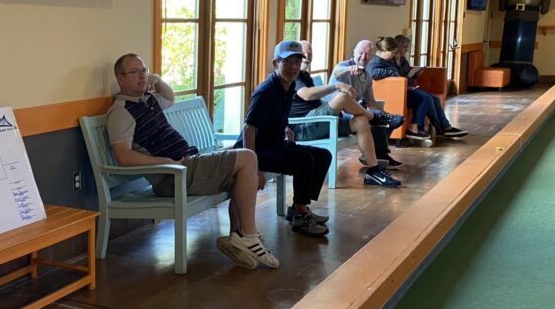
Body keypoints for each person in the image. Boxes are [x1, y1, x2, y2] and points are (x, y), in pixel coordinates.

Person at [107, 54, 279, 269]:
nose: (142, 76)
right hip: (173, 175)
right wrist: (165, 161)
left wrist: (157, 79)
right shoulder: (121, 112)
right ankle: (249, 236)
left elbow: (170, 97)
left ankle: (238, 236)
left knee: (243, 171)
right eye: (135, 72)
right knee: (247, 157)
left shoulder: (148, 100)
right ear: (120, 79)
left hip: (189, 164)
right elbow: (123, 156)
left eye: (143, 70)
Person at [238, 41, 332, 237]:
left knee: (323, 155)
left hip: (274, 144)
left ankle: (300, 207)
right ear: (275, 64)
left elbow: (276, 114)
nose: (293, 67)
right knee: (304, 160)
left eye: (297, 62)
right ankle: (300, 216)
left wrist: (285, 126)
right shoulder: (266, 91)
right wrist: (253, 167)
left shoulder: (287, 87)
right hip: (254, 150)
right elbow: (248, 128)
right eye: (287, 62)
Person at [289, 40, 402, 187]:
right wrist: (337, 85)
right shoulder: (294, 76)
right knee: (343, 96)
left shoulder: (304, 75)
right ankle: (375, 118)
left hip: (321, 121)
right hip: (303, 126)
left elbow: (371, 101)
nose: (306, 56)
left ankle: (373, 171)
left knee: (361, 120)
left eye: (309, 53)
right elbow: (307, 95)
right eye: (302, 53)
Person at [368, 36, 467, 140]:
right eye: (392, 52)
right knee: (425, 98)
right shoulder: (376, 61)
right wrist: (394, 73)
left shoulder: (387, 60)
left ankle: (442, 127)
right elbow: (372, 73)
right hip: (395, 94)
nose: (393, 55)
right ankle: (419, 128)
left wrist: (412, 74)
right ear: (383, 51)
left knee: (433, 98)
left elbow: (401, 72)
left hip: (402, 90)